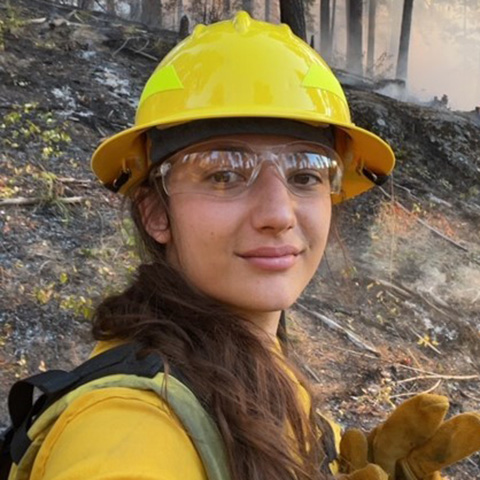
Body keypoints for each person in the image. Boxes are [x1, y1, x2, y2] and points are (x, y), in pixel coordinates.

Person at [8, 10, 479, 480]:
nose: (278, 213)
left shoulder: (260, 363)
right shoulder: (126, 432)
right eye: (224, 173)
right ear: (155, 212)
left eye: (305, 174)